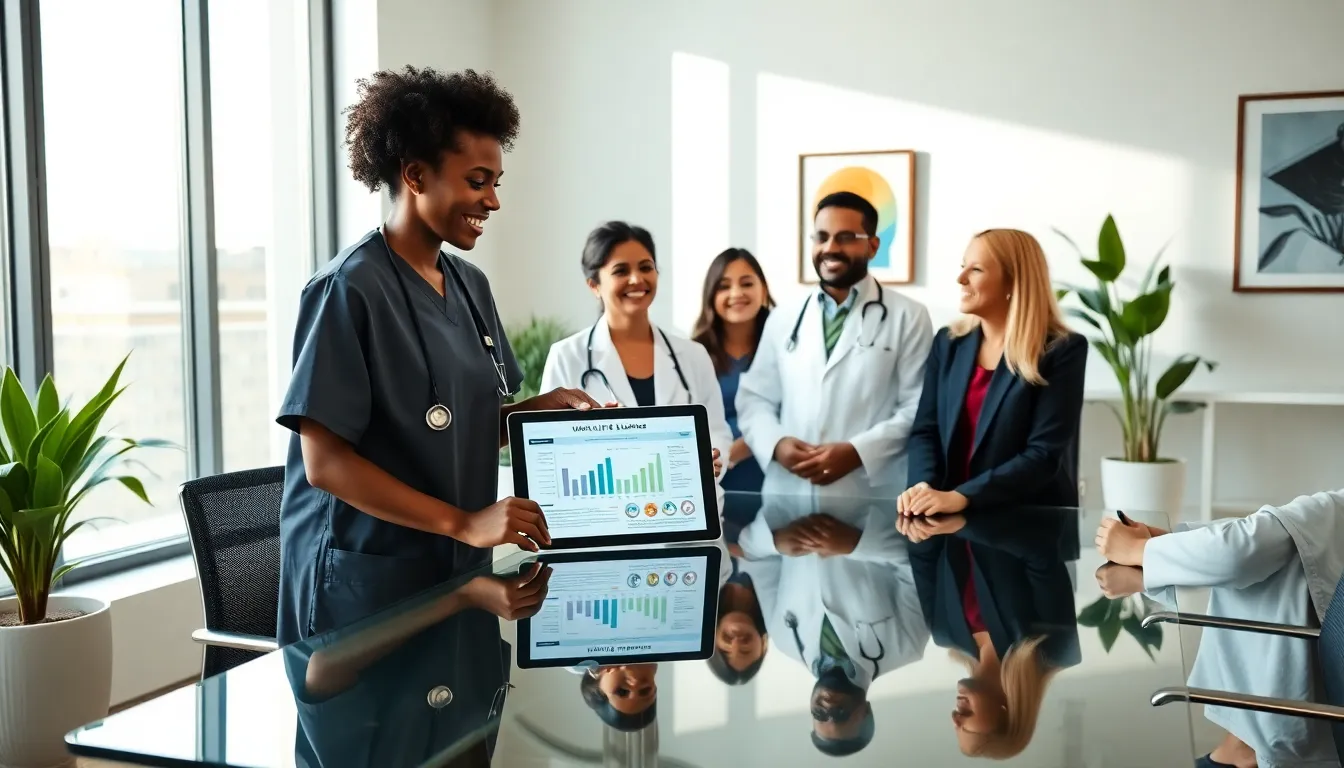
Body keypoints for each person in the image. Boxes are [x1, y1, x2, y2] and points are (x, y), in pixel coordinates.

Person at [275, 67, 601, 645]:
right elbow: (325, 462)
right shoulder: (347, 289)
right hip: (365, 581)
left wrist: (533, 413)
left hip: (454, 572)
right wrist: (465, 523)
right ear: (415, 174)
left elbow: (447, 428)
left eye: (497, 182)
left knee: (460, 725)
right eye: (478, 181)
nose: (493, 200)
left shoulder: (470, 285)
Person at [1095, 490, 1344, 768]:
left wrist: (1139, 550)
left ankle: (1244, 748)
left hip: (1293, 731)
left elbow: (1243, 550)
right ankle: (1240, 746)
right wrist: (1161, 544)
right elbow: (1266, 536)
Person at [736, 192, 934, 498]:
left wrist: (857, 452)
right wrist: (778, 445)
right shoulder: (784, 316)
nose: (830, 248)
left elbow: (916, 406)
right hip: (790, 493)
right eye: (822, 237)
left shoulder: (909, 315)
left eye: (845, 238)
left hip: (871, 495)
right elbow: (755, 399)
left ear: (872, 245)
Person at [898, 229, 1086, 517]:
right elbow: (926, 429)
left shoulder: (1062, 350)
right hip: (949, 521)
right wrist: (923, 485)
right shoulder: (948, 343)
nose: (961, 279)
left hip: (1028, 525)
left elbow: (1043, 454)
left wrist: (962, 496)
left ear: (1014, 281)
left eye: (976, 269)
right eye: (963, 267)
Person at [737, 494, 930, 756]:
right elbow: (918, 561)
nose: (828, 707)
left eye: (819, 714)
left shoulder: (784, 639)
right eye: (840, 715)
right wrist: (856, 544)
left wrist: (776, 541)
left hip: (789, 490)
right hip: (866, 489)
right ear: (866, 712)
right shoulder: (907, 645)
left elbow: (756, 559)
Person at [540, 221, 730, 475]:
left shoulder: (693, 355)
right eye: (620, 271)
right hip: (607, 505)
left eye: (646, 267)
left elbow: (716, 430)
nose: (636, 279)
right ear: (594, 285)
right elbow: (548, 445)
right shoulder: (566, 356)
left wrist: (713, 456)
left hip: (689, 505)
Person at [902, 509, 1081, 759]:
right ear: (1005, 713)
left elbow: (922, 556)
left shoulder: (944, 633)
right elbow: (1041, 553)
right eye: (967, 728)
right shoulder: (1055, 649)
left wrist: (920, 516)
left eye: (956, 727)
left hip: (944, 487)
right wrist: (964, 522)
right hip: (1013, 488)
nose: (954, 718)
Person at [691, 248, 776, 494]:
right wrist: (720, 457)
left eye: (747, 283)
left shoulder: (785, 346)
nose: (736, 293)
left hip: (773, 475)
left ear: (764, 291)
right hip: (711, 477)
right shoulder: (693, 353)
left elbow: (794, 413)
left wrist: (734, 452)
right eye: (724, 286)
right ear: (711, 295)